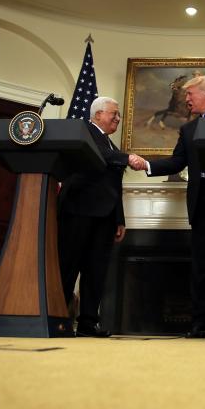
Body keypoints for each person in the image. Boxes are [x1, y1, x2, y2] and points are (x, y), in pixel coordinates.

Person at [133, 75, 205, 338]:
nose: (186, 100)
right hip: (202, 203)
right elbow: (176, 163)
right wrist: (146, 165)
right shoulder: (188, 130)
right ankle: (199, 323)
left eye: (190, 95)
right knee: (202, 266)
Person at [58, 96, 143, 337]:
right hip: (78, 211)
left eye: (118, 115)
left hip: (105, 216)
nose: (118, 118)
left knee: (96, 271)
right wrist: (128, 158)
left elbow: (114, 185)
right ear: (97, 115)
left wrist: (120, 219)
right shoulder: (83, 131)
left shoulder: (109, 144)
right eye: (113, 113)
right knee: (69, 266)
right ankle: (58, 318)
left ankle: (87, 323)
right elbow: (98, 154)